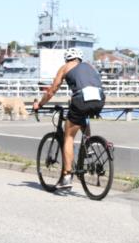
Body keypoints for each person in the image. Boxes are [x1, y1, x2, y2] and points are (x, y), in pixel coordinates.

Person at [33, 47, 105, 190]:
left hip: (81, 98)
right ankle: (88, 144)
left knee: (69, 137)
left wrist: (40, 104)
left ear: (67, 58)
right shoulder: (90, 66)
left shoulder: (65, 67)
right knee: (83, 115)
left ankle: (66, 177)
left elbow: (52, 90)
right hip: (99, 97)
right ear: (80, 58)